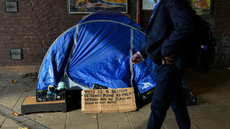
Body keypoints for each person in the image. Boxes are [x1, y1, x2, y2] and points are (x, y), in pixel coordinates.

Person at [131, 0, 194, 128]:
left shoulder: (172, 1)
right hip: (164, 63)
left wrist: (165, 50)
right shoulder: (161, 3)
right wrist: (142, 53)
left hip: (170, 64)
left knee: (157, 105)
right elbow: (158, 35)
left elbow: (185, 26)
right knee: (177, 102)